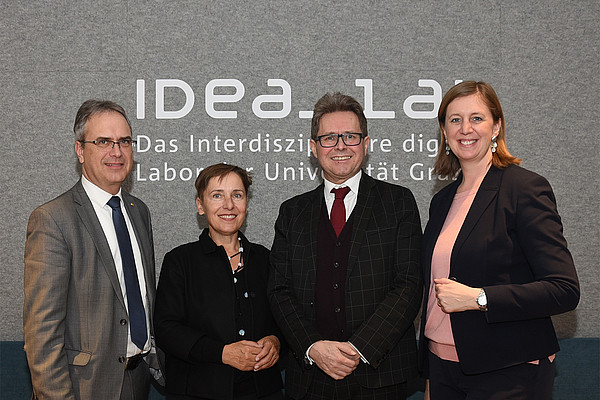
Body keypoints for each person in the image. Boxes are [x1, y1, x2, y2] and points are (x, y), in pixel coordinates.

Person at [419, 81, 580, 399]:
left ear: (496, 127)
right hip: (443, 370)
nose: (465, 128)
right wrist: (430, 377)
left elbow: (564, 290)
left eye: (476, 118)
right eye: (455, 120)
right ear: (444, 131)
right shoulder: (442, 200)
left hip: (508, 371)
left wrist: (479, 298)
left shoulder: (524, 189)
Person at [268, 92, 423, 400]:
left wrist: (358, 349)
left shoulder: (398, 203)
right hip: (310, 379)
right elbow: (279, 290)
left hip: (380, 378)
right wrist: (313, 347)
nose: (340, 146)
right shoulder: (292, 212)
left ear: (366, 144)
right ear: (314, 148)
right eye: (329, 138)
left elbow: (408, 285)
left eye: (350, 136)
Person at [24, 100, 162, 400]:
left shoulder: (139, 211)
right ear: (80, 150)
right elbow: (42, 333)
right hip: (83, 387)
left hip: (138, 380)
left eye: (124, 141)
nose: (117, 151)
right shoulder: (53, 219)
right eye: (103, 142)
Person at [154, 164, 284, 400]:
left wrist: (275, 342)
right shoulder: (179, 261)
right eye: (217, 196)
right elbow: (166, 330)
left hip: (263, 391)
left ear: (246, 203)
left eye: (237, 195)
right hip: (196, 391)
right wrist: (222, 353)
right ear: (200, 206)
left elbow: (284, 318)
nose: (229, 205)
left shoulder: (266, 259)